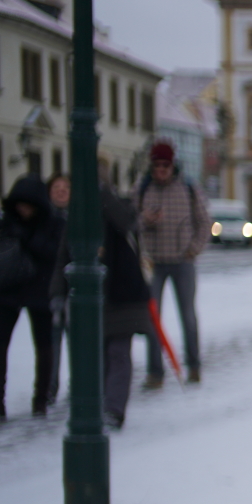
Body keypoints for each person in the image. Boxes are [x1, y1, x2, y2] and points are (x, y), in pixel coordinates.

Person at [0, 175, 68, 419]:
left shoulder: (53, 223)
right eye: (20, 205)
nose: (23, 210)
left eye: (28, 205)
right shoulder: (6, 223)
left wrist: (27, 238)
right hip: (9, 290)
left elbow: (54, 253)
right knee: (0, 345)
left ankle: (40, 400)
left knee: (44, 346)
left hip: (39, 289)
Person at [136, 140, 208, 388]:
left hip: (183, 261)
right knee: (152, 318)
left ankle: (194, 366)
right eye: (157, 165)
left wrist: (193, 249)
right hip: (153, 263)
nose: (161, 170)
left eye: (166, 165)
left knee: (188, 316)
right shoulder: (143, 188)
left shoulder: (188, 187)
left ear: (173, 165)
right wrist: (145, 220)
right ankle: (155, 373)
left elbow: (204, 222)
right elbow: (130, 222)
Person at [99, 184, 151, 429]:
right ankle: (103, 403)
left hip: (123, 295)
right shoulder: (80, 215)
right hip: (102, 295)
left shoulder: (123, 213)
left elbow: (131, 228)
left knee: (117, 353)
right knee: (102, 355)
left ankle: (113, 408)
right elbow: (63, 254)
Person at [44, 172, 71, 405]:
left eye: (66, 187)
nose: (61, 191)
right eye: (56, 187)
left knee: (76, 341)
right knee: (52, 341)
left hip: (74, 290)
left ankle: (78, 384)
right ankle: (49, 386)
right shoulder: (43, 218)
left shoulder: (78, 217)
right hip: (50, 289)